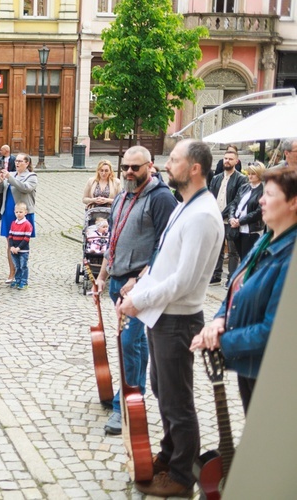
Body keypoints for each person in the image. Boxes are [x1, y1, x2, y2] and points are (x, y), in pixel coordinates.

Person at [119, 139, 223, 497]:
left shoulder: (203, 215)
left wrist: (138, 300)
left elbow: (184, 280)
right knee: (163, 392)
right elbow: (162, 260)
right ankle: (169, 453)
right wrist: (137, 287)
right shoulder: (185, 205)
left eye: (174, 160)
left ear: (194, 168)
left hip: (178, 320)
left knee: (178, 401)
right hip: (160, 317)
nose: (166, 164)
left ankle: (181, 476)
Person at [191, 165, 297, 415]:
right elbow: (237, 289)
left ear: (293, 203)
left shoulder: (290, 256)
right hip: (250, 367)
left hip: (273, 373)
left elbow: (274, 330)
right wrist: (219, 320)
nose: (260, 199)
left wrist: (222, 340)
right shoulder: (267, 239)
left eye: (269, 194)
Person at [94, 145, 177, 436]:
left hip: (138, 285)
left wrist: (139, 280)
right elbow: (112, 241)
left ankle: (125, 408)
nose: (129, 172)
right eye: (126, 166)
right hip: (117, 280)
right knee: (134, 343)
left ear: (150, 166)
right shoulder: (122, 196)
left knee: (129, 342)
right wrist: (102, 275)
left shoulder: (161, 198)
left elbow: (164, 247)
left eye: (136, 167)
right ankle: (134, 396)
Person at [0, 153, 37, 284]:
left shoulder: (31, 176)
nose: (17, 163)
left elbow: (24, 188)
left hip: (23, 213)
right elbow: (0, 190)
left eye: (20, 161)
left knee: (22, 243)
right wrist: (0, 181)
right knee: (10, 243)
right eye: (16, 161)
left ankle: (22, 273)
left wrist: (9, 177)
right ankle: (12, 272)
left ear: (27, 163)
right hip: (9, 212)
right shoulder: (12, 174)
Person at [209, 148, 247, 286]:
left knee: (232, 251)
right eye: (225, 158)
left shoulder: (241, 179)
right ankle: (216, 275)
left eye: (230, 159)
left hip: (231, 219)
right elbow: (210, 195)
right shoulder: (216, 178)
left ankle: (231, 277)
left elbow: (237, 200)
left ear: (236, 161)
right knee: (217, 249)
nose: (227, 161)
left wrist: (224, 213)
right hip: (216, 218)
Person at [228, 162, 266, 260]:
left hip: (251, 230)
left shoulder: (263, 190)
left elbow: (258, 212)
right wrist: (232, 217)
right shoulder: (244, 187)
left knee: (248, 259)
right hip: (237, 228)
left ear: (259, 174)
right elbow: (234, 203)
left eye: (253, 174)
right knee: (241, 256)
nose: (250, 176)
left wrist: (240, 221)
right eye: (249, 173)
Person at [8, 202, 33, 290]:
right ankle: (17, 280)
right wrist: (11, 247)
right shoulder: (13, 223)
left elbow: (26, 239)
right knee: (17, 266)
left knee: (23, 266)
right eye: (17, 212)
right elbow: (10, 236)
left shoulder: (27, 224)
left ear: (25, 212)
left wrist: (18, 248)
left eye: (20, 212)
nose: (18, 214)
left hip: (23, 250)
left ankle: (24, 282)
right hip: (14, 250)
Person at [0, 145, 16, 222]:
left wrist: (9, 175)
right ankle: (0, 214)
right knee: (0, 197)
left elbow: (15, 170)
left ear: (6, 151)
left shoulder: (13, 159)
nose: (0, 152)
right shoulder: (0, 159)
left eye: (1, 150)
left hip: (10, 180)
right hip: (2, 181)